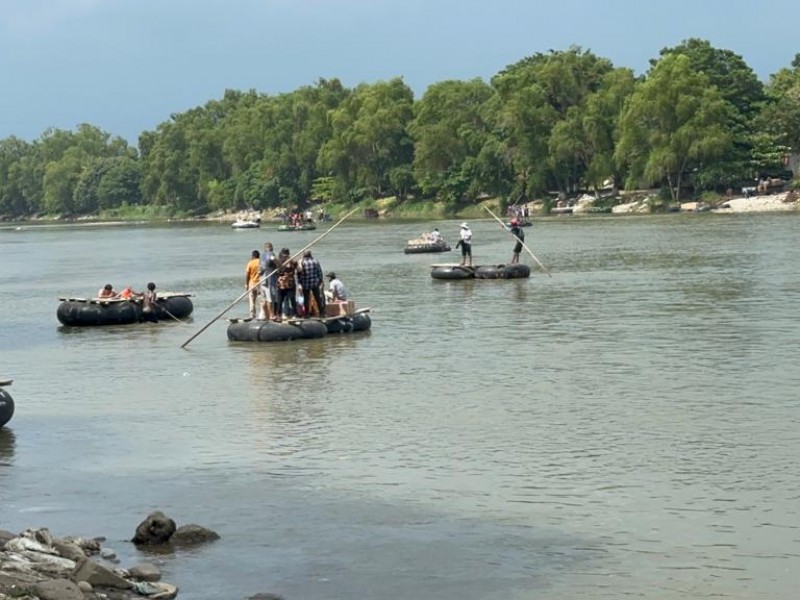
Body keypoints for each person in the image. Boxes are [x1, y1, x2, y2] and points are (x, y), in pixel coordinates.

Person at [298, 249, 325, 318]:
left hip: (305, 284)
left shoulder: (302, 262)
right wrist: (320, 281)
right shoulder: (315, 261)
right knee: (317, 298)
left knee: (306, 299)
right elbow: (319, 272)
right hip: (314, 283)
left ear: (304, 255)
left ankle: (306, 314)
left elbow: (298, 274)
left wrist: (299, 282)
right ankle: (322, 313)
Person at [275, 248, 298, 321]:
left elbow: (276, 270)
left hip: (281, 283)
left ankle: (279, 315)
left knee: (280, 300)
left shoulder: (279, 261)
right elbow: (297, 267)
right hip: (289, 283)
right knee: (292, 299)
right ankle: (294, 314)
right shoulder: (291, 261)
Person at [259, 242, 278, 320]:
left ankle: (265, 315)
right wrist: (280, 265)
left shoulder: (262, 256)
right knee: (270, 299)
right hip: (269, 279)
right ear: (271, 248)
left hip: (262, 280)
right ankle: (271, 315)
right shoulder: (271, 254)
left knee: (264, 299)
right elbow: (274, 260)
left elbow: (260, 269)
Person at [245, 249, 261, 319]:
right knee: (261, 300)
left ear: (253, 256)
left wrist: (246, 284)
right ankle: (262, 314)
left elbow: (247, 274)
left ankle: (252, 315)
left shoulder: (250, 263)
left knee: (252, 300)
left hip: (252, 283)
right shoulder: (261, 262)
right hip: (260, 283)